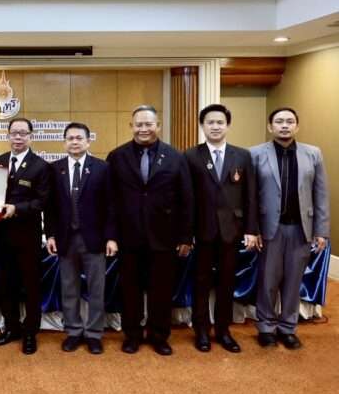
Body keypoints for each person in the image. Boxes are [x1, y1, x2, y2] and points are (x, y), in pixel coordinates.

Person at [108, 105, 194, 356]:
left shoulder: (176, 157)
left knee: (161, 291)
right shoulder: (117, 156)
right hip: (128, 236)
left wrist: (186, 236)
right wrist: (111, 235)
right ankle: (132, 335)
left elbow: (187, 199)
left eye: (148, 124)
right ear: (131, 126)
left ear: (158, 126)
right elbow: (110, 201)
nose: (143, 129)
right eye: (139, 124)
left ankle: (159, 336)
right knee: (130, 291)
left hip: (165, 237)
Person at [251, 107, 329, 349]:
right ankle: (266, 327)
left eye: (289, 121)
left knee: (294, 282)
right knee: (268, 281)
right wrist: (253, 229)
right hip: (269, 230)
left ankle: (288, 328)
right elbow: (250, 196)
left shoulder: (313, 154)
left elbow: (321, 194)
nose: (284, 125)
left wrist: (321, 230)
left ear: (297, 126)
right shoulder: (255, 154)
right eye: (279, 121)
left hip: (301, 229)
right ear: (270, 126)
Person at [185, 104, 259, 353]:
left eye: (220, 122)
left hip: (232, 230)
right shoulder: (191, 156)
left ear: (227, 125)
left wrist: (251, 229)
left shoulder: (243, 156)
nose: (215, 127)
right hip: (202, 230)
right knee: (201, 282)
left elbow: (250, 195)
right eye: (210, 122)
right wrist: (187, 233)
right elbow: (187, 198)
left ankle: (223, 331)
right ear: (202, 126)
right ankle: (201, 331)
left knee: (227, 282)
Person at [45, 122, 118, 355]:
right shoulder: (55, 169)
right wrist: (50, 235)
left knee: (96, 289)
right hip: (66, 239)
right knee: (69, 288)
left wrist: (111, 237)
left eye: (79, 138)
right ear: (64, 142)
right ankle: (74, 331)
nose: (74, 142)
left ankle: (94, 334)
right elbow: (50, 207)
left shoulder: (102, 168)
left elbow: (111, 206)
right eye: (70, 138)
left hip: (95, 239)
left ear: (88, 141)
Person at [0, 118, 50, 355]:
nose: (18, 137)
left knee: (31, 285)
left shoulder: (41, 166)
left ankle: (30, 332)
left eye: (23, 133)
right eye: (14, 133)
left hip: (28, 237)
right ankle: (12, 328)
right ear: (8, 135)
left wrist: (17, 209)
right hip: (2, 235)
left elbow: (42, 201)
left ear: (30, 136)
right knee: (7, 284)